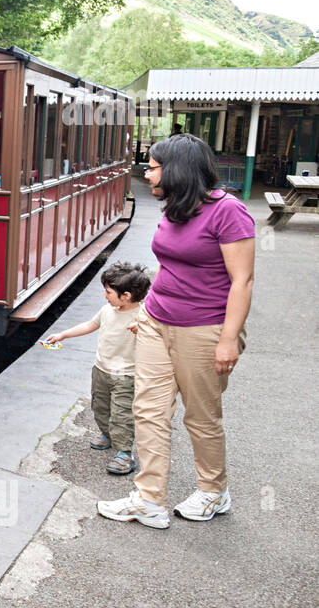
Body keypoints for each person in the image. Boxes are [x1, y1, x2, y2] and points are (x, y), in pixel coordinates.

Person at [97, 134, 255, 529]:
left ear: (178, 169)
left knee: (201, 417)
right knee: (147, 412)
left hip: (204, 330)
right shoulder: (175, 208)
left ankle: (213, 491)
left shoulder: (228, 212)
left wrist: (227, 339)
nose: (146, 173)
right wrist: (146, 312)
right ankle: (149, 500)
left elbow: (243, 281)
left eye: (152, 166)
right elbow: (169, 265)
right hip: (156, 323)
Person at [44, 262, 151, 475]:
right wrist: (63, 334)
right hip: (101, 370)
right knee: (100, 407)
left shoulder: (142, 316)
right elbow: (89, 325)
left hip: (126, 375)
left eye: (109, 291)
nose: (104, 295)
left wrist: (144, 329)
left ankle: (124, 453)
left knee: (122, 414)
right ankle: (107, 434)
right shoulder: (107, 310)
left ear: (127, 296)